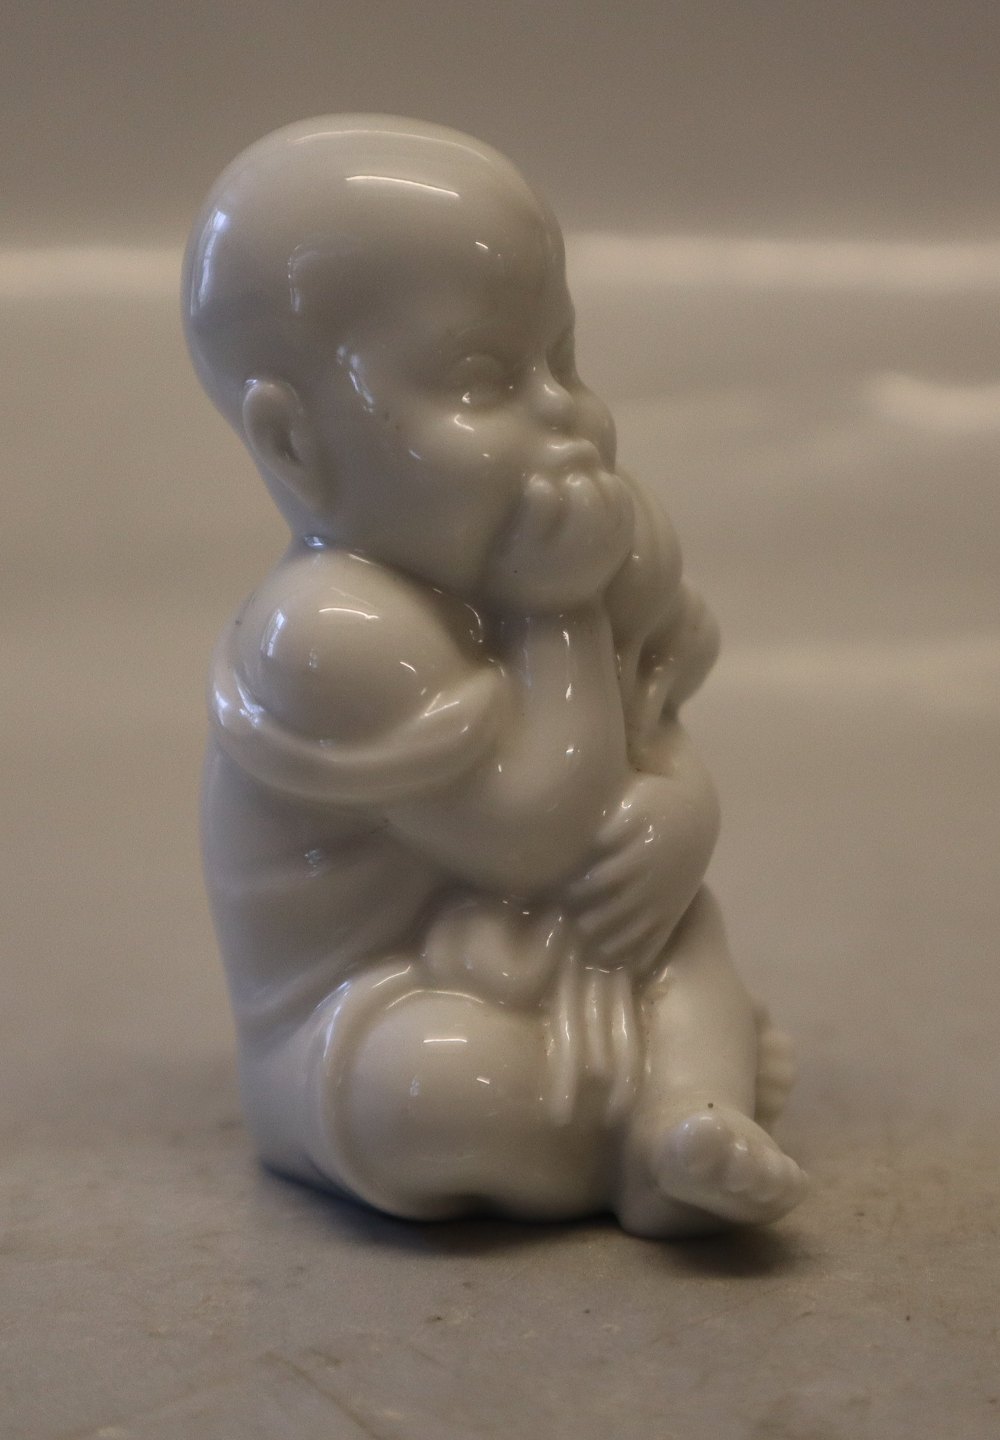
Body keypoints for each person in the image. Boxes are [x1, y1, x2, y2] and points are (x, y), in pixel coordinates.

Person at [184, 116, 805, 1236]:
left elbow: (651, 729)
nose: (563, 414)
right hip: (364, 1006)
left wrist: (682, 814)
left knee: (681, 933)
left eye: (562, 361)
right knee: (435, 1085)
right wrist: (554, 608)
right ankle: (619, 1118)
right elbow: (535, 839)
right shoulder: (326, 629)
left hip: (554, 947)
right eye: (484, 380)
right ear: (294, 444)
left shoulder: (579, 537)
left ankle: (683, 1116)